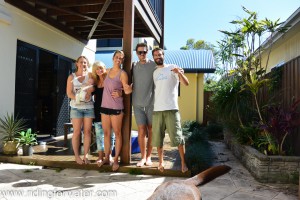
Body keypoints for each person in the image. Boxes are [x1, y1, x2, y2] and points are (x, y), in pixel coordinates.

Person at [151, 47, 189, 173]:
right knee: (158, 138)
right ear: (153, 57)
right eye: (156, 55)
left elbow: (186, 84)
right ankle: (161, 162)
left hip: (172, 109)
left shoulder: (172, 67)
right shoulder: (155, 72)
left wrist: (180, 73)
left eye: (160, 54)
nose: (158, 57)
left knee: (178, 137)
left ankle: (184, 163)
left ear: (163, 55)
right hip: (157, 110)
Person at [98, 50, 132, 171]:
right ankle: (107, 158)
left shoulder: (122, 74)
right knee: (106, 134)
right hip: (104, 107)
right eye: (117, 57)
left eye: (121, 58)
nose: (119, 59)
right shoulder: (106, 71)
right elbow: (100, 84)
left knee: (117, 134)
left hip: (116, 108)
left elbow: (128, 90)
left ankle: (116, 159)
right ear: (113, 58)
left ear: (122, 60)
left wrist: (122, 91)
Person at [66, 55, 95, 165]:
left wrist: (88, 92)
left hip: (89, 108)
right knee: (77, 132)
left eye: (85, 63)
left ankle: (85, 156)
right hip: (76, 108)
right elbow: (69, 93)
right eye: (81, 62)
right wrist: (79, 98)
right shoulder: (71, 77)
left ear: (87, 64)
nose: (83, 64)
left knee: (87, 132)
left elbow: (93, 88)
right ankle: (77, 156)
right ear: (76, 64)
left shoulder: (90, 76)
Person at [132, 43, 156, 167]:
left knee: (151, 130)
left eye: (144, 52)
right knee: (141, 130)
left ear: (148, 52)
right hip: (137, 104)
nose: (142, 54)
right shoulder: (133, 65)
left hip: (151, 103)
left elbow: (165, 69)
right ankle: (142, 157)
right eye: (140, 52)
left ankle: (149, 157)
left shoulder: (153, 65)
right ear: (136, 53)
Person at [91, 61, 118, 166]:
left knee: (111, 134)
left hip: (109, 109)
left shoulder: (109, 79)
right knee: (99, 135)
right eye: (97, 69)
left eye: (101, 68)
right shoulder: (95, 82)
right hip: (98, 110)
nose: (99, 70)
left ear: (104, 68)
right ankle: (100, 156)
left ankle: (109, 155)